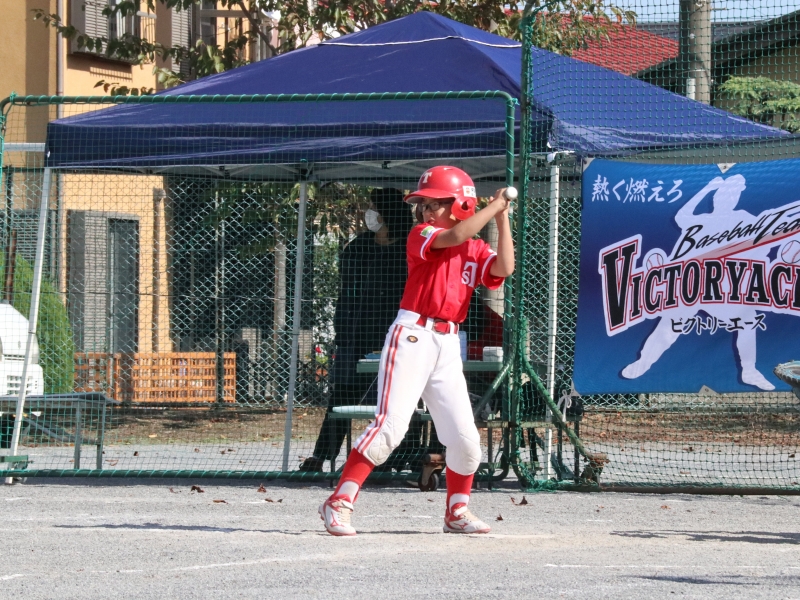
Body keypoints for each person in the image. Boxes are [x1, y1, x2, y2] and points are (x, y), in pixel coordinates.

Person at [318, 166, 515, 536]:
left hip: (448, 343)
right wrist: (493, 207)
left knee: (465, 439)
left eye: (434, 204)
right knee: (390, 427)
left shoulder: (475, 247)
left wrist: (502, 218)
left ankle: (457, 511)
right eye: (423, 204)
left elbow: (504, 267)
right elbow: (456, 233)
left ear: (461, 205)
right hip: (412, 335)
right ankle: (339, 501)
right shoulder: (422, 233)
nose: (425, 210)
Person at [300, 188, 416, 472]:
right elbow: (346, 290)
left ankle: (399, 456)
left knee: (400, 398)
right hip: (357, 333)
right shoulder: (359, 246)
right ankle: (322, 455)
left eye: (374, 207)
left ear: (387, 213)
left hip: (397, 334)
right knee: (342, 394)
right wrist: (343, 327)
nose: (369, 213)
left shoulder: (409, 247)